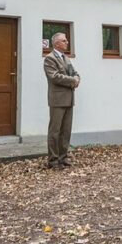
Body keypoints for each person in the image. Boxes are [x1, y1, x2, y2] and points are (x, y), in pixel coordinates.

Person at [44, 32, 80, 168]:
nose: (67, 42)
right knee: (55, 131)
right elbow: (55, 76)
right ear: (56, 43)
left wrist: (77, 78)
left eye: (66, 40)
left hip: (69, 99)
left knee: (66, 131)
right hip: (57, 100)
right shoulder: (49, 59)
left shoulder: (66, 58)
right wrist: (73, 80)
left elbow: (75, 73)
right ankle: (53, 161)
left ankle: (63, 157)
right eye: (64, 41)